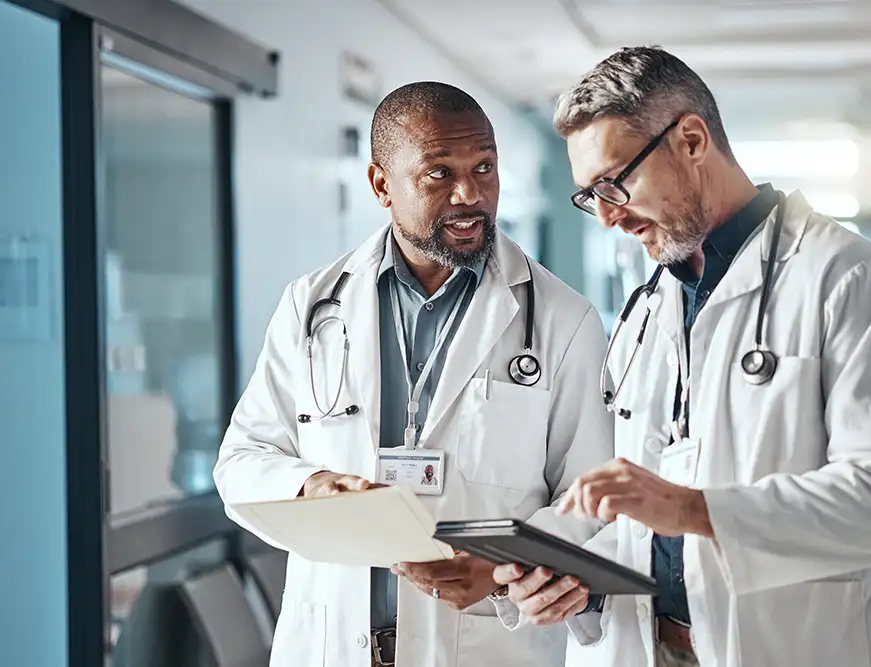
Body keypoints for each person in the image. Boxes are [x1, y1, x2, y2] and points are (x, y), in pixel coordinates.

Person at [494, 47, 871, 667]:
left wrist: (692, 509)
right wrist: (573, 582)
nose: (605, 217)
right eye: (588, 196)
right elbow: (632, 512)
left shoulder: (847, 278)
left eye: (614, 183)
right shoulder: (645, 311)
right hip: (654, 647)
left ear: (692, 140)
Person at [214, 81, 614, 667]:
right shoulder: (312, 305)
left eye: (484, 167)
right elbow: (243, 460)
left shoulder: (562, 319)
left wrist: (502, 568)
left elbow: (592, 500)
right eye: (439, 174)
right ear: (381, 185)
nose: (469, 194)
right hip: (330, 647)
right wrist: (310, 486)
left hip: (485, 647)